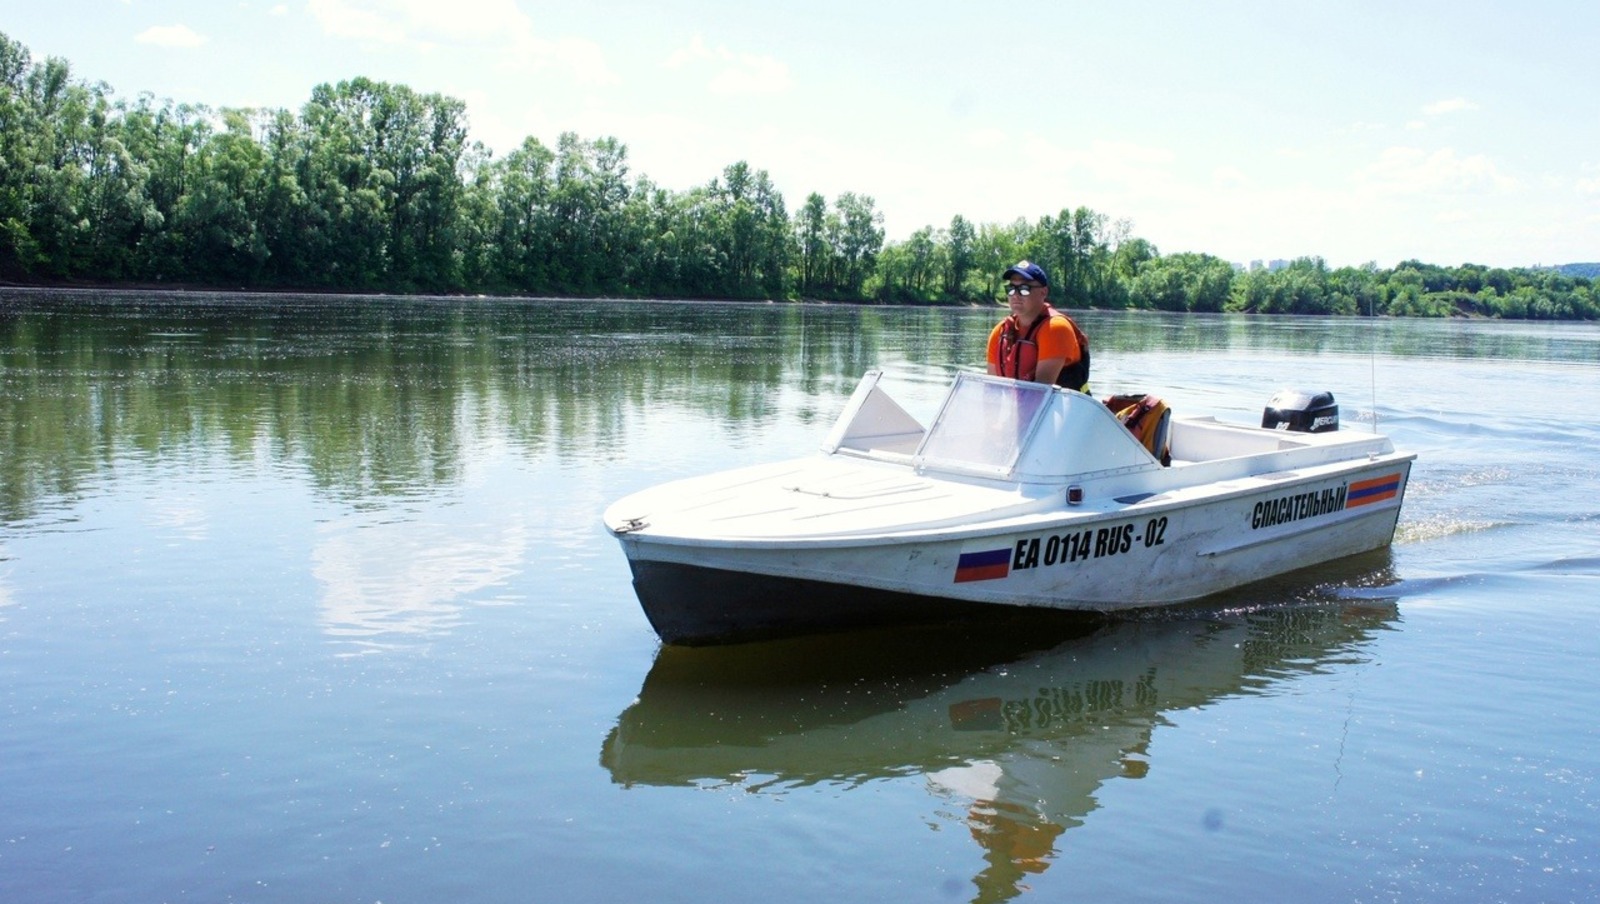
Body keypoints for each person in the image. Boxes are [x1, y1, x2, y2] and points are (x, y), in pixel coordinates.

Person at [986, 261, 1090, 391]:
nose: (1016, 295)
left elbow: (1040, 392)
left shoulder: (1056, 328)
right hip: (1020, 409)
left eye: (1024, 289)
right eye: (1011, 289)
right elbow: (991, 391)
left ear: (1043, 292)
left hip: (1062, 409)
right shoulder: (999, 331)